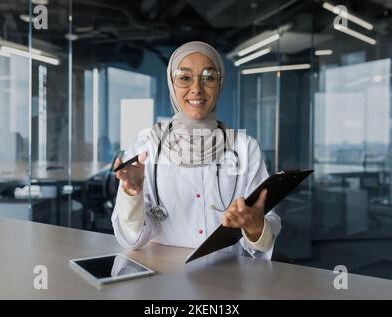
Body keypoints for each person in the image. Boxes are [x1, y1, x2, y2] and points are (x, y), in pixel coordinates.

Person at [111, 41, 281, 260]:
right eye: (184, 78)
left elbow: (262, 241)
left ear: (220, 83)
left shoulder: (244, 147)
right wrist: (131, 197)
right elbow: (130, 240)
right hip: (164, 280)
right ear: (172, 83)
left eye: (209, 77)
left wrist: (256, 228)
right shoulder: (146, 147)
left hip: (226, 278)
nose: (197, 89)